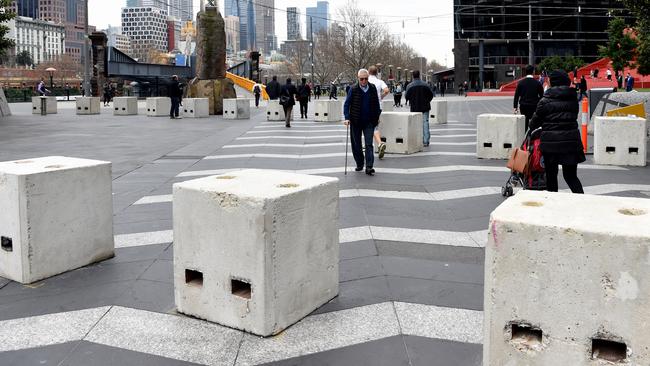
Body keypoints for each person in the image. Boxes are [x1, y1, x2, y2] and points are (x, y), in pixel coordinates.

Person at [529, 70, 585, 194]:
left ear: (552, 82)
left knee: (551, 177)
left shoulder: (545, 100)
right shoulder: (573, 99)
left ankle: (553, 204)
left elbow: (534, 122)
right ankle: (582, 201)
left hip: (551, 143)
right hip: (571, 142)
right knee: (571, 177)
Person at [344, 68, 381, 176]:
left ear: (368, 78)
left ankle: (369, 167)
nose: (364, 81)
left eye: (365, 79)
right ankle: (360, 163)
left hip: (369, 121)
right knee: (357, 145)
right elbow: (347, 104)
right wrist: (347, 118)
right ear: (358, 78)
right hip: (356, 121)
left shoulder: (372, 88)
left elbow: (376, 104)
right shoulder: (353, 89)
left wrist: (377, 115)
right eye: (361, 79)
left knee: (369, 144)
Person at [405, 70, 434, 147]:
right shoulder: (426, 85)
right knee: (425, 123)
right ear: (419, 75)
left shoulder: (409, 86)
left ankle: (416, 140)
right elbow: (431, 95)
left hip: (414, 108)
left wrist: (411, 100)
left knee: (415, 124)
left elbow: (406, 96)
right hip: (425, 107)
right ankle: (425, 141)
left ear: (413, 76)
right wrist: (427, 101)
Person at [513, 65, 544, 131]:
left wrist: (515, 107)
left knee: (525, 124)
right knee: (535, 123)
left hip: (523, 106)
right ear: (533, 72)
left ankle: (525, 138)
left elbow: (516, 95)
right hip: (534, 106)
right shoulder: (537, 83)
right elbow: (542, 96)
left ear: (525, 72)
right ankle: (533, 137)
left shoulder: (521, 83)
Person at [368, 65, 389, 159]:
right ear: (376, 73)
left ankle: (371, 144)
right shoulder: (380, 81)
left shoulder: (365, 80)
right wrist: (381, 96)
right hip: (378, 107)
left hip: (367, 106)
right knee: (374, 126)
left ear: (368, 72)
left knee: (367, 126)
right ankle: (379, 144)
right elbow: (387, 90)